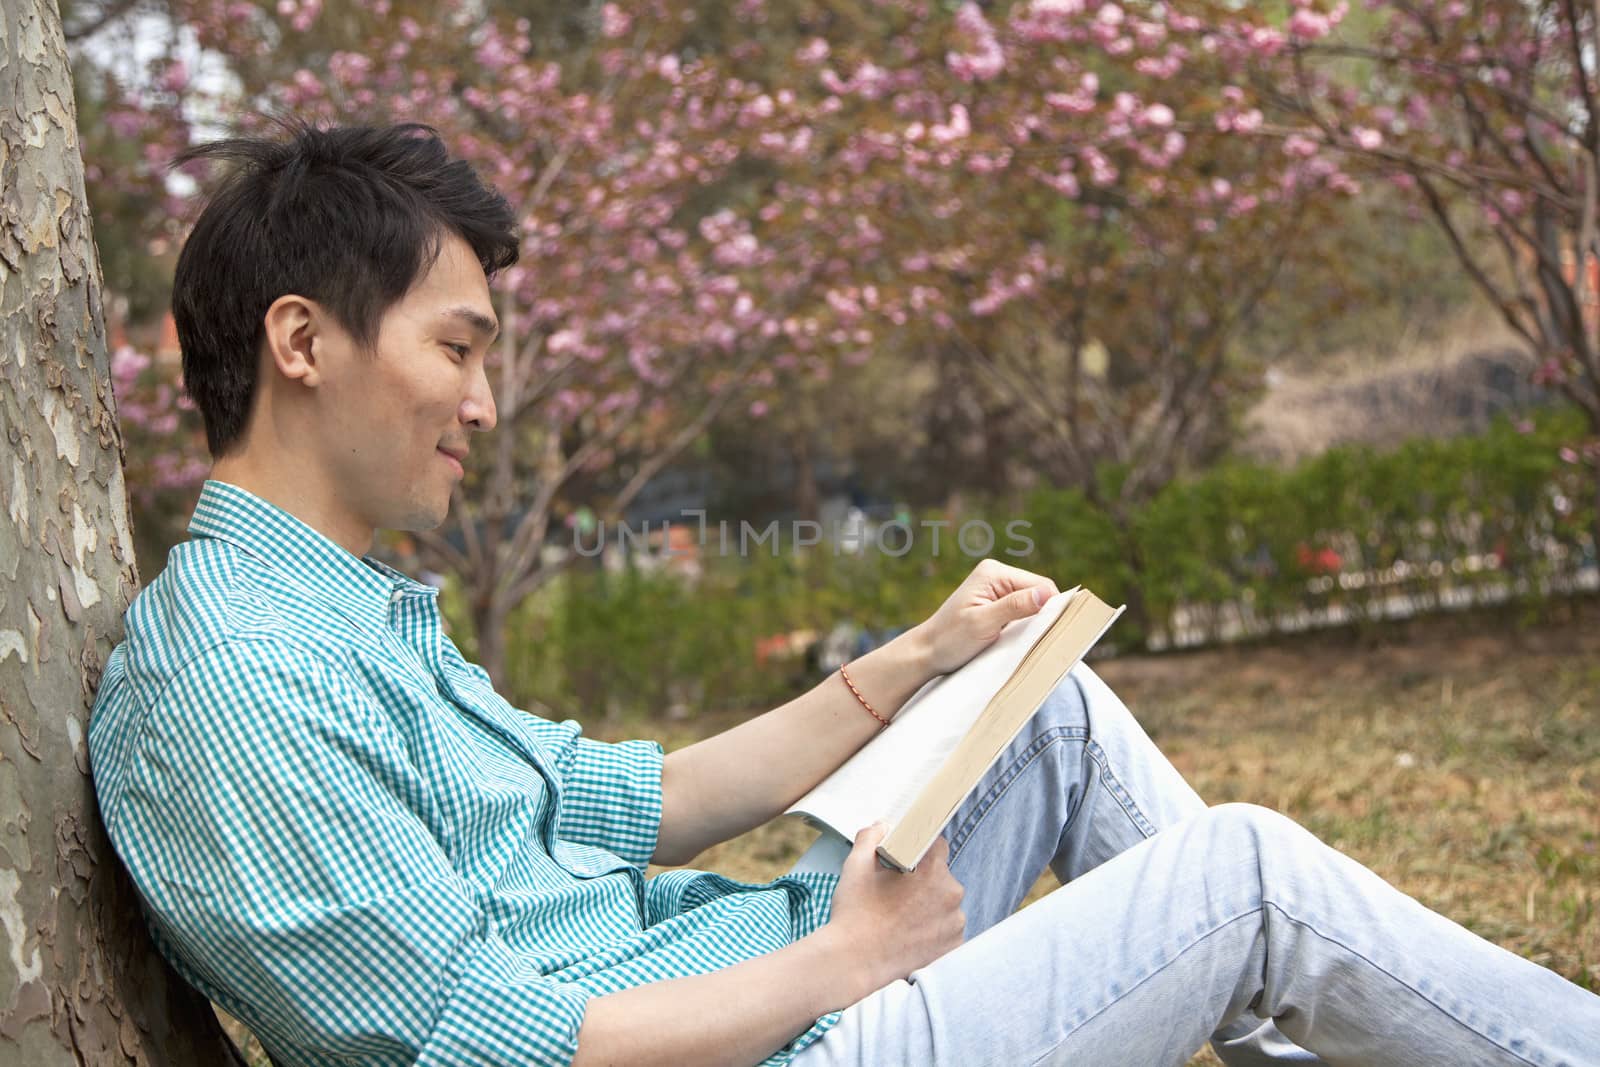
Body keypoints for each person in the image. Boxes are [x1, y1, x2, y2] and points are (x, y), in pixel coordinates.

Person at [87, 121, 1599, 1067]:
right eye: (461, 348)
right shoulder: (236, 677)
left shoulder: (339, 616)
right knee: (1245, 880)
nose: (487, 406)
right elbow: (479, 1049)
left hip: (767, 976)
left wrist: (918, 660)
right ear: (302, 341)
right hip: (780, 1038)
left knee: (1043, 709)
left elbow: (634, 802)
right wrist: (847, 958)